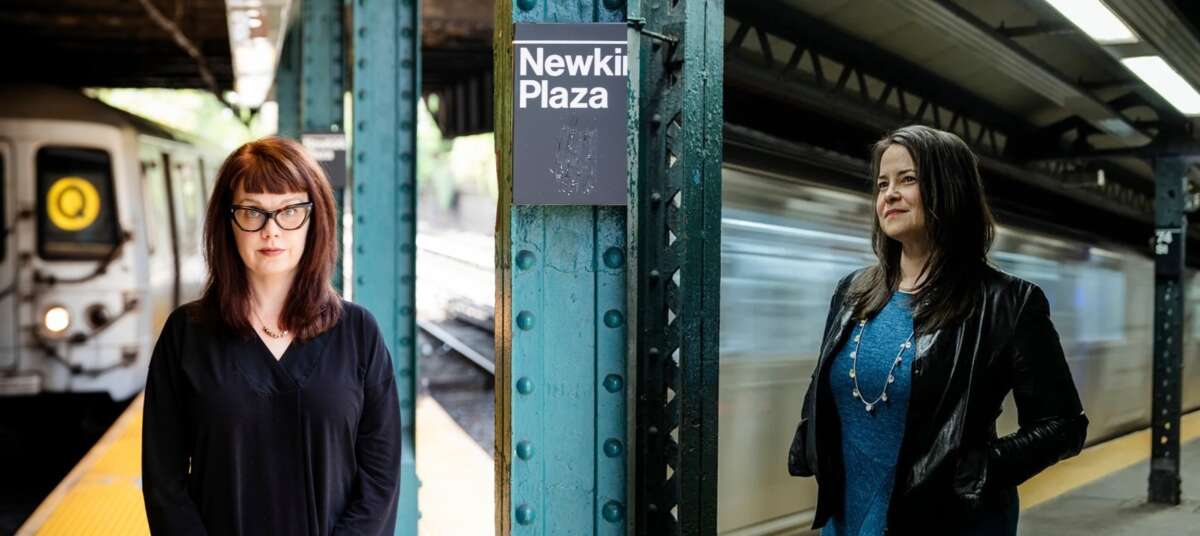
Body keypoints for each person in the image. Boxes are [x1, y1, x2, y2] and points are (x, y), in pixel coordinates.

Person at [788, 125, 1088, 535]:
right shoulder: (853, 292)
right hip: (848, 519)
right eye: (882, 184)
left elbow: (1064, 425)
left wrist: (981, 467)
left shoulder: (1007, 302)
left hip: (949, 523)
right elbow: (822, 388)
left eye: (907, 179)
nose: (889, 194)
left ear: (950, 187)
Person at [142, 136, 402, 535]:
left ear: (315, 219)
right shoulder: (186, 335)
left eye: (290, 211)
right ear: (227, 222)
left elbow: (380, 477)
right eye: (252, 212)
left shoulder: (358, 332)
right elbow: (164, 483)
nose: (271, 230)